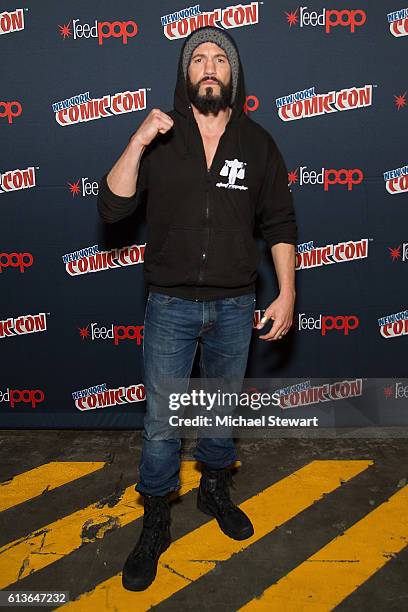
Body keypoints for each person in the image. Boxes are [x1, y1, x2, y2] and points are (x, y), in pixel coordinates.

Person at [97, 25, 297, 591]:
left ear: (234, 75)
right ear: (185, 75)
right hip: (170, 304)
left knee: (218, 413)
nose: (209, 66)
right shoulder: (160, 138)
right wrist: (136, 141)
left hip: (236, 305)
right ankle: (156, 514)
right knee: (162, 425)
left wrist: (287, 291)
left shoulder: (258, 144)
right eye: (199, 59)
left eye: (220, 59)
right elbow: (112, 207)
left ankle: (213, 489)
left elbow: (280, 224)